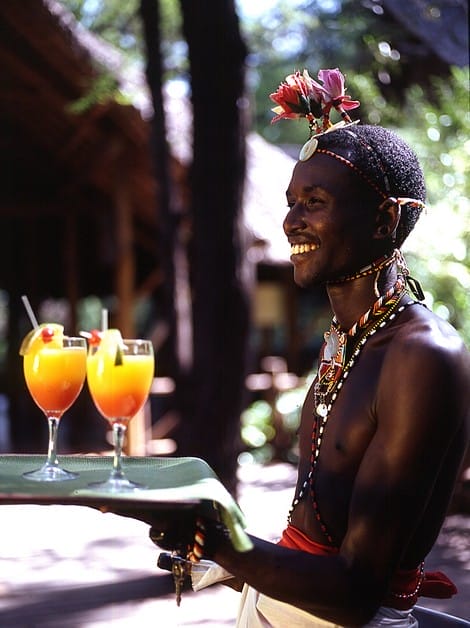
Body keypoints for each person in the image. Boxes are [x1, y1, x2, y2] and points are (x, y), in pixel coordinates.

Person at [138, 69, 470, 627]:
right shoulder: (349, 341)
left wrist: (222, 542)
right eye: (292, 201)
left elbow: (356, 593)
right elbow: (319, 543)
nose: (291, 221)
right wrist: (223, 556)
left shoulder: (421, 356)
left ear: (385, 219)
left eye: (314, 202)